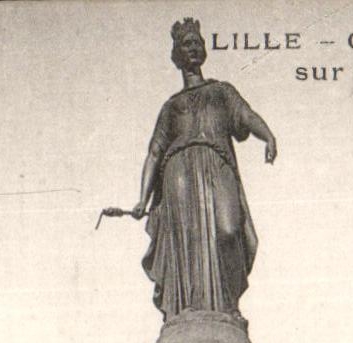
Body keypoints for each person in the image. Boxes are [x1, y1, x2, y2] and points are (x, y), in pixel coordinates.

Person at [117, 17, 277, 320]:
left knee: (229, 230)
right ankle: (186, 307)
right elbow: (154, 152)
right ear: (177, 56)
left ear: (203, 50)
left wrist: (267, 135)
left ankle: (228, 306)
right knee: (186, 239)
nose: (192, 48)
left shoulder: (221, 91)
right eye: (185, 44)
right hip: (178, 169)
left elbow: (246, 115)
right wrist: (142, 198)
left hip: (217, 164)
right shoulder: (171, 106)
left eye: (196, 43)